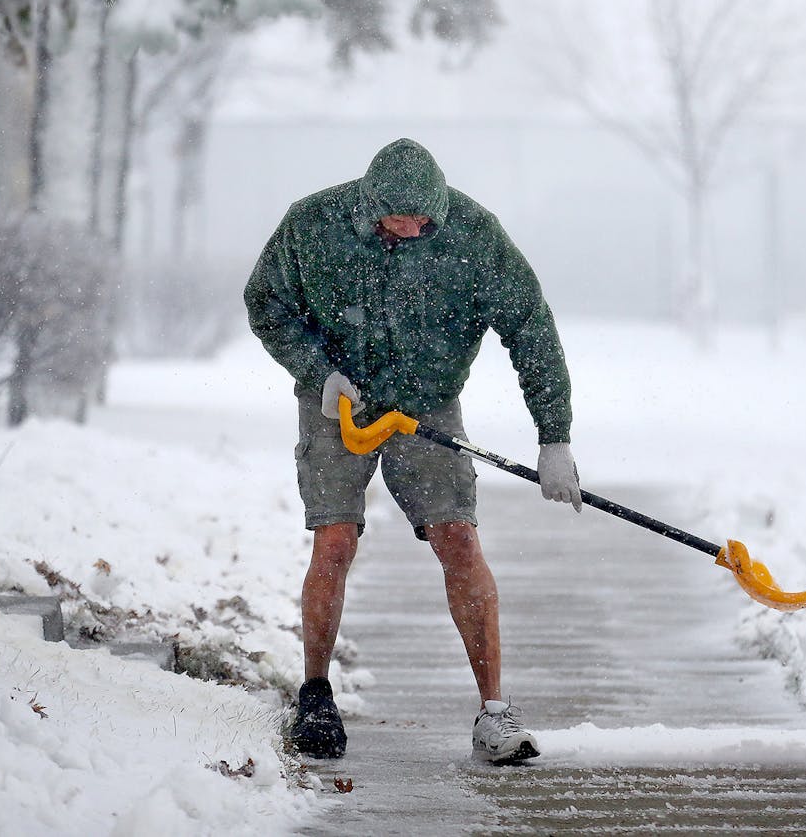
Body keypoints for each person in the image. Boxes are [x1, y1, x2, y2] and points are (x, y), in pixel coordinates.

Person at [244, 137, 581, 764]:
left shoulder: (473, 235)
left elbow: (530, 327)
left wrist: (554, 437)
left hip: (427, 405)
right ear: (371, 206)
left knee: (459, 541)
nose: (415, 227)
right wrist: (318, 372)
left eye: (426, 218)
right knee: (335, 540)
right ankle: (316, 694)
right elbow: (265, 303)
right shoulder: (312, 224)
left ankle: (495, 715)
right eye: (402, 219)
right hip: (338, 405)